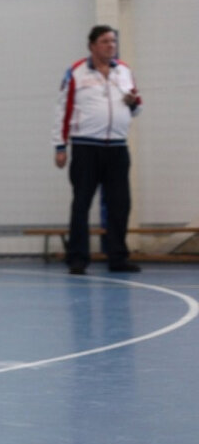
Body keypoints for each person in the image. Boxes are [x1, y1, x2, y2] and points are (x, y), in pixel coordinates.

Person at [53, 24, 143, 275]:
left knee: (120, 204)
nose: (111, 46)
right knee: (81, 203)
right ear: (92, 46)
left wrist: (133, 103)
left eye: (113, 41)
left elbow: (137, 108)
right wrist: (60, 145)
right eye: (105, 41)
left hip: (117, 147)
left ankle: (118, 258)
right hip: (85, 146)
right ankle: (78, 258)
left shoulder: (124, 71)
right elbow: (63, 111)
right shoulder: (76, 72)